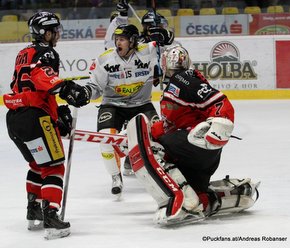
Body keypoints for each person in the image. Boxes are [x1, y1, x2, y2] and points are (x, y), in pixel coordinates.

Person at [126, 45, 260, 225]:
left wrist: (222, 123)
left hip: (193, 144)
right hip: (200, 151)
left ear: (165, 64)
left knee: (153, 150)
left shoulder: (181, 79)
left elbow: (219, 101)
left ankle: (181, 201)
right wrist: (151, 130)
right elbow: (173, 124)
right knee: (200, 199)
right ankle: (223, 196)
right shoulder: (180, 82)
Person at [4, 11, 89, 239]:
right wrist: (67, 88)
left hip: (14, 118)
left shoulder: (24, 52)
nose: (57, 35)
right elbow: (42, 76)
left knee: (37, 164)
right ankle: (51, 215)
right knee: (54, 168)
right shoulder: (47, 52)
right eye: (55, 31)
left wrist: (56, 112)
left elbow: (30, 85)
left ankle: (34, 210)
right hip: (34, 118)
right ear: (45, 32)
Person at [70, 23, 174, 198]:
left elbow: (170, 43)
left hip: (141, 103)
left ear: (133, 41)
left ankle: (163, 172)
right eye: (116, 39)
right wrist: (86, 93)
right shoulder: (104, 60)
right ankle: (115, 177)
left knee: (160, 135)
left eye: (122, 39)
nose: (118, 43)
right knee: (105, 137)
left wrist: (163, 35)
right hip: (113, 104)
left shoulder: (149, 51)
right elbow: (95, 87)